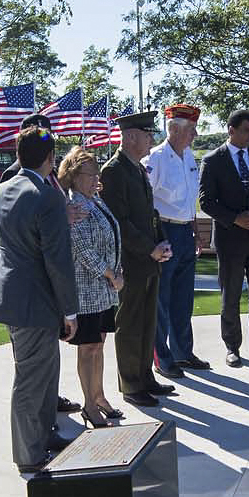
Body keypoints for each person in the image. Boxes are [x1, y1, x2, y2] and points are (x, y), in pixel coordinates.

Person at [0, 126, 79, 473]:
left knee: (45, 374)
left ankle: (43, 436)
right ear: (51, 159)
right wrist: (70, 309)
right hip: (36, 299)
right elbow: (57, 259)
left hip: (12, 293)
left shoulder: (2, 189)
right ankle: (28, 454)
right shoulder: (47, 196)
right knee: (32, 380)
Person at [98, 110, 174, 408]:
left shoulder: (136, 168)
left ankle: (144, 376)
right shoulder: (114, 170)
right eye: (147, 134)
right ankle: (131, 383)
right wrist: (149, 248)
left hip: (148, 259)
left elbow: (148, 215)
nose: (151, 139)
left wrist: (160, 242)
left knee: (147, 321)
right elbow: (120, 221)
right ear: (130, 137)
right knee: (130, 323)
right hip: (130, 262)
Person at [199, 109, 249, 366]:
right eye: (246, 130)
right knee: (231, 295)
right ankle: (232, 347)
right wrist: (235, 219)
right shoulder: (213, 160)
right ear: (231, 130)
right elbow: (206, 201)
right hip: (230, 240)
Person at [57, 147, 124, 427]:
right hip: (86, 292)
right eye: (90, 173)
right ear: (73, 176)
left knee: (99, 345)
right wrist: (111, 275)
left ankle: (99, 396)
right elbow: (83, 250)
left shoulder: (95, 200)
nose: (96, 178)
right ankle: (89, 405)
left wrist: (118, 271)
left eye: (97, 173)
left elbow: (111, 235)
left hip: (105, 291)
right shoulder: (74, 205)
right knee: (88, 347)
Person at [146, 103, 208, 377]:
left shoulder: (189, 157)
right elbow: (146, 202)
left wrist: (195, 228)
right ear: (173, 129)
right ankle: (162, 357)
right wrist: (154, 239)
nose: (194, 135)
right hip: (165, 231)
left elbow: (188, 199)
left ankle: (183, 351)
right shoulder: (156, 159)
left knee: (183, 298)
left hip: (184, 231)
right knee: (162, 298)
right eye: (191, 130)